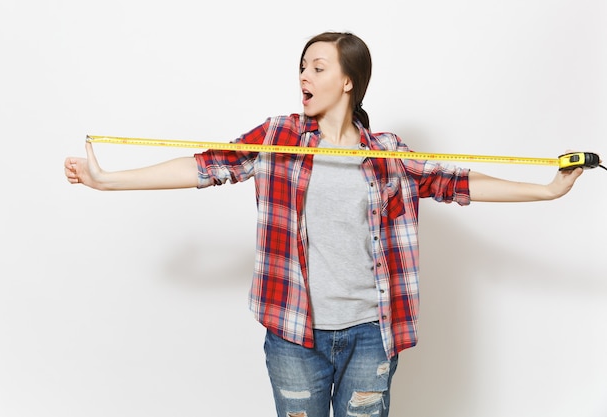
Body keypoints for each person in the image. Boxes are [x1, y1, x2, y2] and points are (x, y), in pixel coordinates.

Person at [64, 32, 585, 417]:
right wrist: (108, 180)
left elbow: (458, 181)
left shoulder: (389, 153)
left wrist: (545, 189)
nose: (304, 78)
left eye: (317, 68)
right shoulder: (279, 135)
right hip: (295, 334)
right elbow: (204, 165)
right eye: (302, 68)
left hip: (370, 335)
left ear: (348, 81)